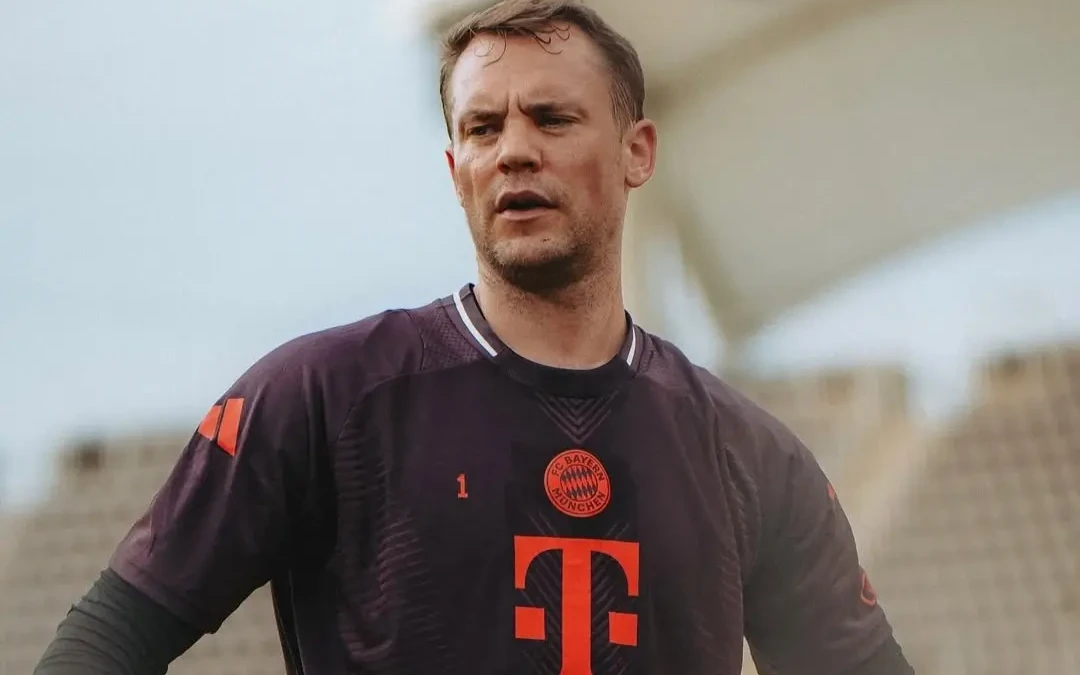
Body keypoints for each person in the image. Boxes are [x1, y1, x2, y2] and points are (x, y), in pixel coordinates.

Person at [34, 0, 914, 673]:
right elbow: (110, 637)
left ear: (637, 152)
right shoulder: (321, 398)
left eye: (553, 118)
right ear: (457, 172)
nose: (514, 151)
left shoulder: (751, 455)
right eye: (483, 128)